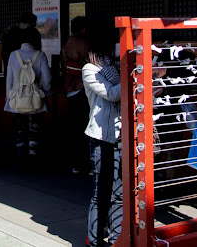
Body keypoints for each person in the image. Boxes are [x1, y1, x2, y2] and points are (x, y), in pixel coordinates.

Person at [82, 19, 123, 247]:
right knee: (101, 192)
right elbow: (112, 94)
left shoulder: (115, 66)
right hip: (100, 138)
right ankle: (95, 239)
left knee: (119, 191)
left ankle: (116, 237)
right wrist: (131, 75)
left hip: (119, 135)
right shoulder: (90, 69)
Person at [5, 27, 51, 172]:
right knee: (34, 129)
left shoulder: (13, 55)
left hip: (17, 99)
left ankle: (19, 160)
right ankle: (33, 159)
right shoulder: (41, 55)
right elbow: (47, 79)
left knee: (20, 130)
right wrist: (45, 93)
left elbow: (9, 79)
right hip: (35, 99)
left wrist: (9, 97)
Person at [61, 16, 91, 174]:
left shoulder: (66, 43)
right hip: (81, 87)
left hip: (69, 87)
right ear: (84, 29)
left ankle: (74, 163)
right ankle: (85, 162)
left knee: (73, 127)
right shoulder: (85, 43)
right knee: (85, 128)